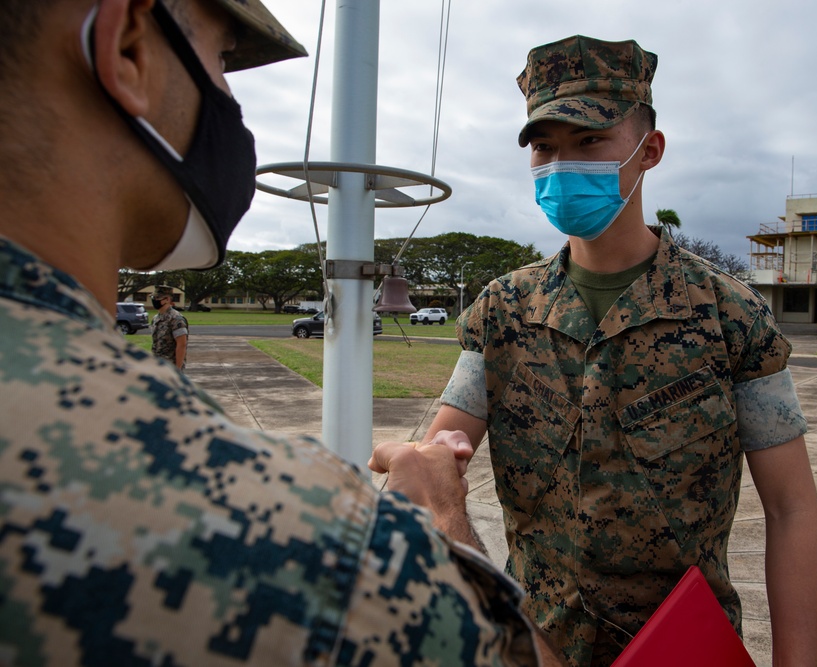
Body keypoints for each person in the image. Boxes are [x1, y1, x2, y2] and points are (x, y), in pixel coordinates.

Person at [0, 0, 564, 664]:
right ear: (127, 48)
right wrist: (436, 524)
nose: (227, 97)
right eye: (223, 58)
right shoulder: (313, 547)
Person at [411, 35, 817, 666]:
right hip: (533, 647)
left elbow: (793, 509)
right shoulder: (502, 313)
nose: (561, 166)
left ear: (648, 151)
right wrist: (428, 468)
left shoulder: (728, 316)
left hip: (684, 650)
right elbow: (436, 461)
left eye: (589, 142)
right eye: (545, 148)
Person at [150, 286, 189, 370]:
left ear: (167, 299)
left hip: (170, 366)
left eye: (157, 298)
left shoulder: (176, 319)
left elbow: (182, 345)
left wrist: (177, 369)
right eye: (153, 297)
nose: (154, 300)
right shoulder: (155, 318)